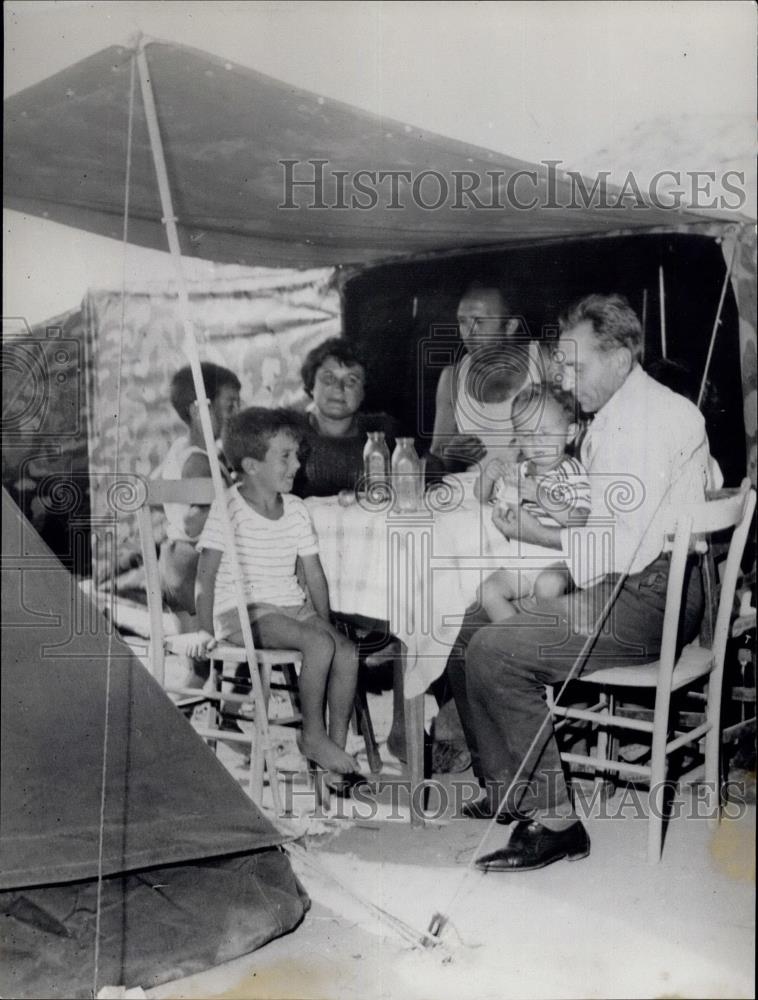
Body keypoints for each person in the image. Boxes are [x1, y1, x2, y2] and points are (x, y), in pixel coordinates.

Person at [457, 293, 714, 871]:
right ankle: (508, 790)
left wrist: (530, 533)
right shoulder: (631, 414)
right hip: (632, 582)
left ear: (621, 357)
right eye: (564, 366)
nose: (567, 379)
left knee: (494, 652)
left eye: (578, 365)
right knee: (470, 626)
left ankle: (556, 823)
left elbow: (623, 549)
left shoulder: (647, 421)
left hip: (650, 597)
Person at [184, 407, 363, 784]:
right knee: (317, 646)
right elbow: (206, 572)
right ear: (251, 465)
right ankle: (312, 736)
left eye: (297, 454)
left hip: (291, 607)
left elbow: (314, 574)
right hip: (244, 613)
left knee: (346, 651)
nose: (297, 464)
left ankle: (333, 756)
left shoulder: (296, 509)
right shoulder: (229, 507)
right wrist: (202, 628)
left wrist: (327, 626)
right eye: (286, 456)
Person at [475, 382, 591, 621]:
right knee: (486, 591)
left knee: (547, 585)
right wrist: (487, 476)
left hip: (561, 562)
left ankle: (549, 634)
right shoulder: (520, 470)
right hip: (522, 563)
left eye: (545, 433)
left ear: (570, 433)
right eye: (526, 435)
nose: (536, 442)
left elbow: (580, 520)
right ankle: (516, 637)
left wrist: (542, 496)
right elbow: (481, 496)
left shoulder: (571, 471)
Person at [158, 362, 241, 688]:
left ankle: (198, 726)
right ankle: (235, 709)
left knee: (198, 671)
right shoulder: (199, 460)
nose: (237, 412)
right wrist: (230, 498)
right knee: (265, 625)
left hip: (176, 571)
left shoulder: (183, 450)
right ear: (198, 410)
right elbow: (194, 523)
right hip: (196, 576)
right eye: (230, 404)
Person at [430, 282, 543, 474]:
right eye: (462, 321)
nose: (468, 332)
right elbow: (436, 458)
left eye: (479, 321)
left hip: (532, 496)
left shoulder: (544, 363)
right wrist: (451, 454)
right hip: (471, 499)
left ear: (510, 326)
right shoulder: (452, 378)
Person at [293, 337, 399, 498]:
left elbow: (428, 469)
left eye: (351, 381)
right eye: (329, 378)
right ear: (311, 385)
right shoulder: (288, 431)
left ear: (363, 391)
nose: (338, 388)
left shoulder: (383, 431)